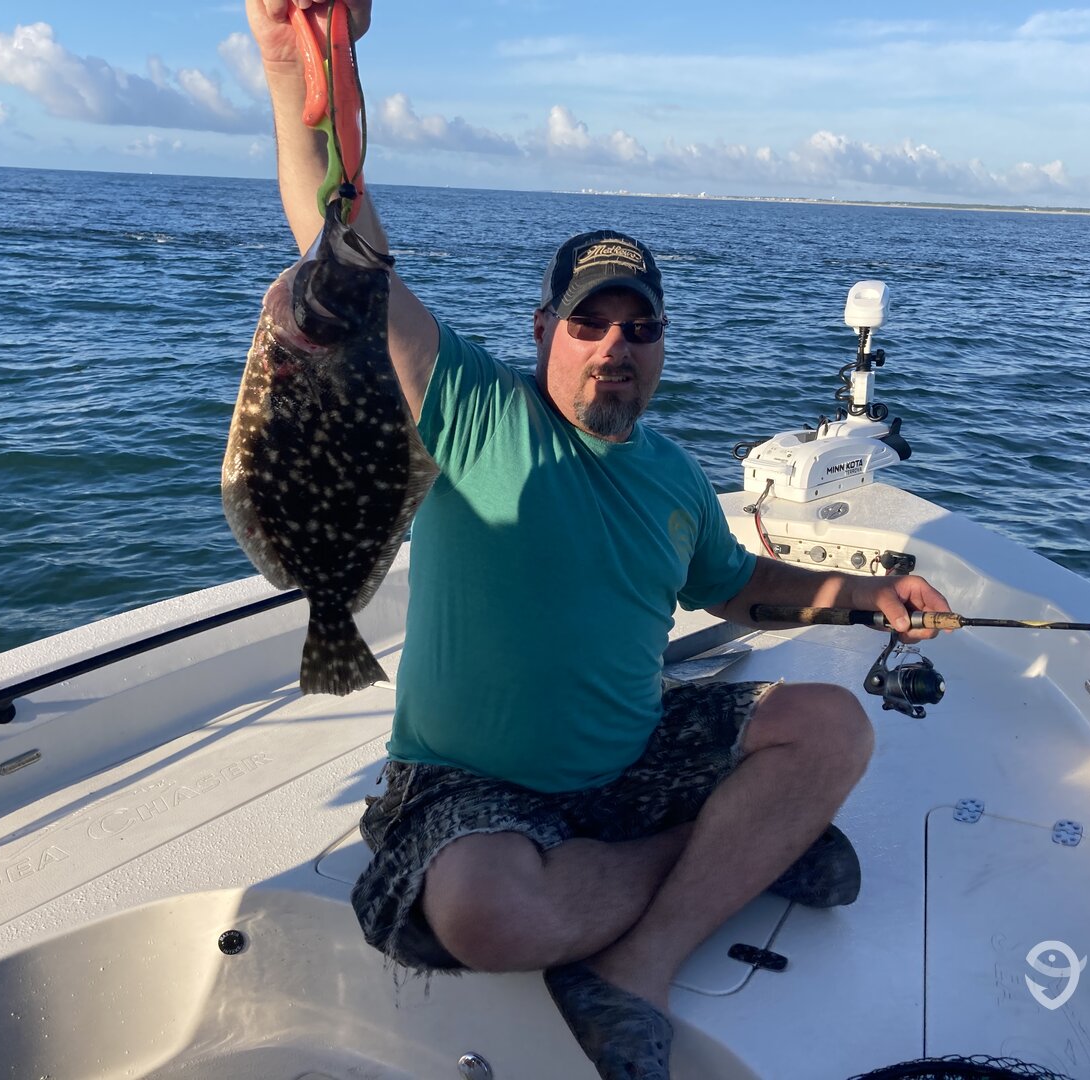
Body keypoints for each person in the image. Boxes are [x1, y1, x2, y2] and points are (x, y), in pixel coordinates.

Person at [245, 3, 951, 1077]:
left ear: (661, 344)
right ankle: (741, 855)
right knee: (487, 915)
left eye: (640, 326)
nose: (615, 345)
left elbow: (734, 585)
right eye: (589, 322)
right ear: (544, 333)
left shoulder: (673, 475)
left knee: (832, 727)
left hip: (634, 752)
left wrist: (866, 595)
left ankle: (642, 961)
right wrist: (289, 65)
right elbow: (336, 240)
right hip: (469, 782)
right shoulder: (475, 408)